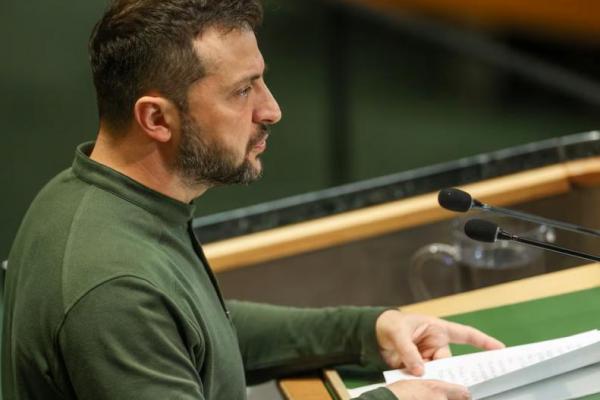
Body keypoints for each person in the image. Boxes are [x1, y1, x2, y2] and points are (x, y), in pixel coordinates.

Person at [1, 1, 504, 399]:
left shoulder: (98, 196)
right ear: (156, 119)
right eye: (242, 91)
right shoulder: (112, 288)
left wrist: (366, 330)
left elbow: (196, 331)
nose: (272, 110)